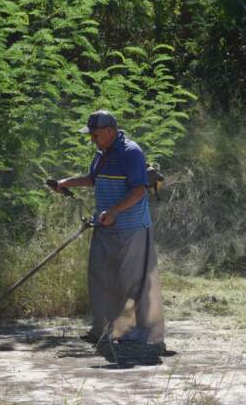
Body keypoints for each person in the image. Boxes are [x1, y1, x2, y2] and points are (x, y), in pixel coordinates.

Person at [53, 110, 165, 349]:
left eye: (95, 134)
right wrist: (66, 183)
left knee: (133, 282)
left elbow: (138, 191)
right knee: (101, 278)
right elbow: (93, 179)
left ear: (110, 131)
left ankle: (141, 334)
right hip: (105, 226)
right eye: (90, 135)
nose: (92, 139)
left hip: (131, 228)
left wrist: (113, 211)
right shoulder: (101, 154)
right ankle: (104, 330)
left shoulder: (131, 152)